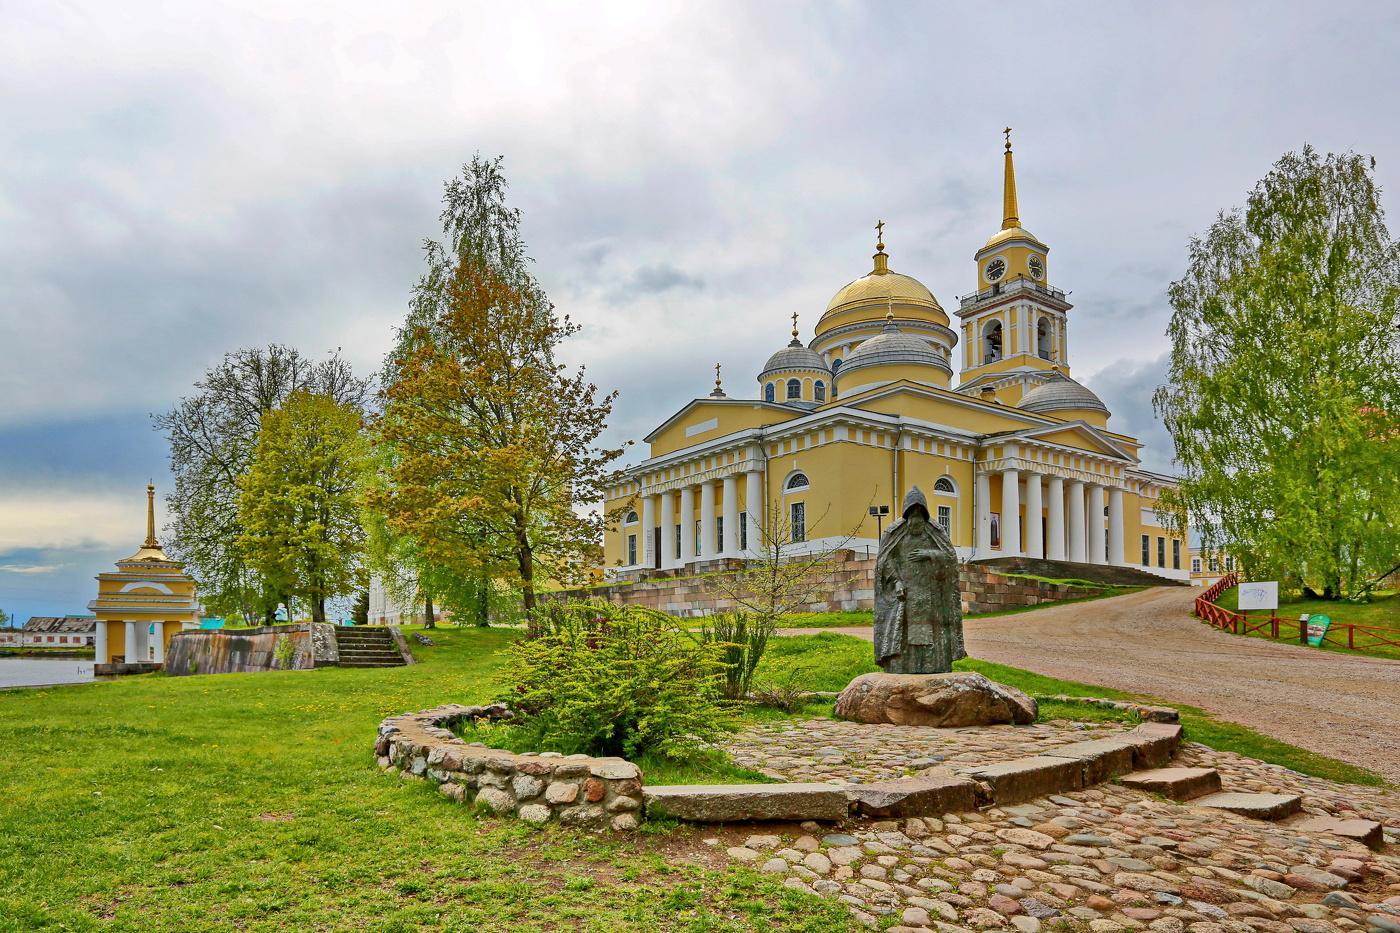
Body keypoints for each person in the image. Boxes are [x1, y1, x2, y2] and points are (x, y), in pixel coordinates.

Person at [872, 486, 965, 673]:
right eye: (912, 512)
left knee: (932, 632)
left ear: (925, 512)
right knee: (903, 631)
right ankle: (901, 666)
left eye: (919, 512)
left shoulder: (934, 530)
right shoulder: (894, 532)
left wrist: (929, 553)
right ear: (906, 513)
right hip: (905, 592)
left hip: (931, 593)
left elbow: (949, 557)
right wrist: (896, 581)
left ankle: (935, 665)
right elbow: (885, 560)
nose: (916, 517)